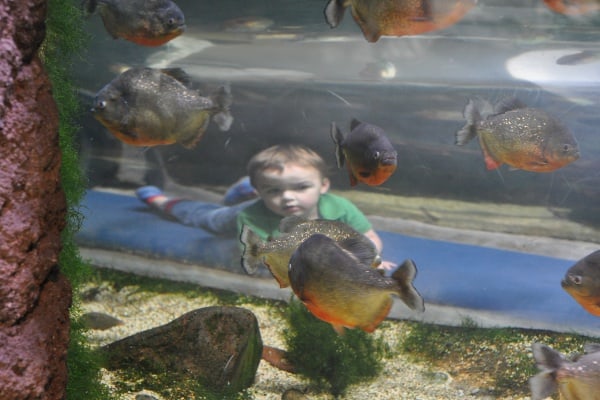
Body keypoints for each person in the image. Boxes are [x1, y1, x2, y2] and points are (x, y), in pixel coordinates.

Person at [137, 144, 392, 269]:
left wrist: (369, 259)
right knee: (207, 218)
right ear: (262, 192)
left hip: (260, 200)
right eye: (275, 190)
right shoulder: (251, 216)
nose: (289, 198)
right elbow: (259, 257)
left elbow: (368, 236)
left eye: (301, 188)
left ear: (323, 185)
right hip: (242, 212)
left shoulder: (340, 207)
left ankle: (244, 188)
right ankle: (162, 201)